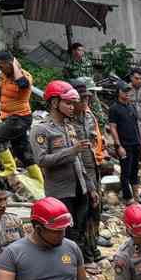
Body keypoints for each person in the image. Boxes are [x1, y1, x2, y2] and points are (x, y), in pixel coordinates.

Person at [31, 80, 92, 253]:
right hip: (60, 192)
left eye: (73, 103)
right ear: (54, 103)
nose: (72, 107)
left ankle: (81, 261)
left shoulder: (69, 127)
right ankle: (66, 263)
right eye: (68, 103)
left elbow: (79, 160)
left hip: (80, 188)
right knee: (65, 233)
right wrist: (71, 151)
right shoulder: (41, 130)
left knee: (80, 229)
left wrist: (89, 186)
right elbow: (41, 160)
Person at [67, 78, 105, 280]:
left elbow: (95, 140)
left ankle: (93, 248)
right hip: (78, 175)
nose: (86, 101)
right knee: (82, 216)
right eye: (82, 98)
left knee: (95, 212)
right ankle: (85, 256)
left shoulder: (89, 116)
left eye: (88, 97)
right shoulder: (67, 121)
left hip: (93, 169)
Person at [0, 50, 41, 184]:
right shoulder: (3, 76)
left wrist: (15, 65)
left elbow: (22, 84)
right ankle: (39, 181)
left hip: (20, 118)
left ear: (10, 63)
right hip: (10, 118)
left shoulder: (25, 77)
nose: (0, 69)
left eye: (1, 66)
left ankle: (9, 168)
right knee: (22, 151)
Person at [107, 80, 141, 202]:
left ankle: (136, 196)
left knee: (135, 170)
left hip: (135, 143)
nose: (127, 93)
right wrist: (118, 146)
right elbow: (113, 127)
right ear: (118, 92)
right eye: (124, 91)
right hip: (124, 145)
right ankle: (128, 198)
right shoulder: (114, 108)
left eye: (128, 91)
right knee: (125, 171)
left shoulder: (131, 106)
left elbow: (137, 125)